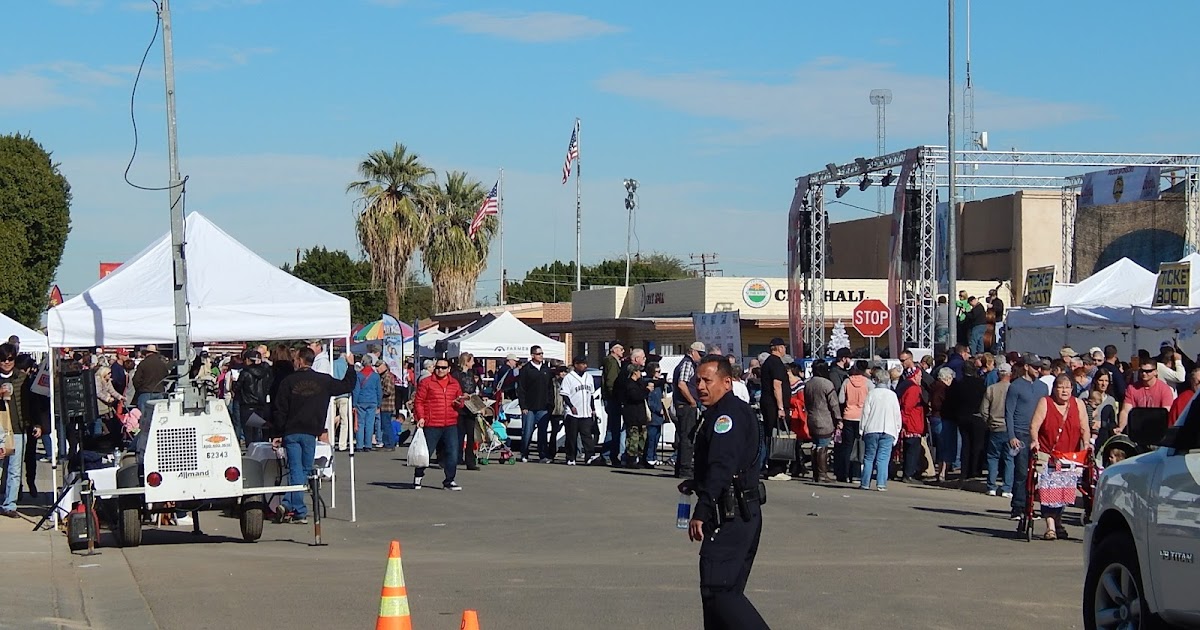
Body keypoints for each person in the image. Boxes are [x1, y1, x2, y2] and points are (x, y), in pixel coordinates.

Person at [680, 356, 769, 629]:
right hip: (738, 510)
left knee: (719, 591)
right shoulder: (720, 412)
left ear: (727, 382)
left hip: (730, 515)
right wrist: (697, 483)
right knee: (718, 596)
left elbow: (723, 464)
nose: (701, 386)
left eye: (708, 380)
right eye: (697, 381)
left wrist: (702, 510)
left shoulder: (728, 415)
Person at [271, 349, 356, 524]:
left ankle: (291, 505)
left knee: (297, 468)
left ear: (300, 361)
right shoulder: (323, 380)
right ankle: (295, 507)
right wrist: (351, 366)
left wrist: (278, 432)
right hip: (311, 430)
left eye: (295, 360)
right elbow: (347, 386)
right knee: (303, 468)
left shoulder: (289, 381)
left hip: (292, 430)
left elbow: (280, 409)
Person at [1028, 374, 1091, 540]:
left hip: (1070, 456)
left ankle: (1058, 520)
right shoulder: (1046, 402)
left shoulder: (1078, 404)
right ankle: (1050, 526)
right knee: (1048, 490)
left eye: (1067, 387)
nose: (1064, 390)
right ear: (1054, 389)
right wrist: (1035, 440)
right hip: (1048, 454)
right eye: (1060, 387)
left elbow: (1084, 427)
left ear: (1072, 389)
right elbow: (1034, 425)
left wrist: (1087, 444)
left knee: (1064, 492)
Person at [1005, 356, 1050, 522]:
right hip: (1020, 434)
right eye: (1035, 367)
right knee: (1022, 472)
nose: (1039, 370)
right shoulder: (1015, 386)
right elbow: (1008, 412)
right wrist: (1011, 436)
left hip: (1037, 434)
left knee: (1037, 474)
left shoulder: (1043, 387)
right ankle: (1017, 507)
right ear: (1026, 367)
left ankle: (1030, 507)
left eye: (1040, 368)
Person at [412, 357, 465, 490]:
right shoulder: (426, 382)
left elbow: (461, 402)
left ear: (449, 369)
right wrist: (421, 418)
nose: (440, 370)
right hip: (432, 423)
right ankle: (418, 475)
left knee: (452, 452)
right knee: (426, 453)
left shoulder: (454, 384)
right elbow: (419, 402)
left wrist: (460, 402)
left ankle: (449, 480)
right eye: (438, 367)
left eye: (443, 368)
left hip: (450, 423)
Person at [858, 368, 901, 491]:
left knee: (869, 457)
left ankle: (865, 483)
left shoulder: (872, 394)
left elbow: (865, 413)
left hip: (871, 428)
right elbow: (897, 415)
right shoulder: (893, 395)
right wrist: (897, 430)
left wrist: (862, 430)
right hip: (888, 430)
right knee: (883, 458)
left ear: (876, 380)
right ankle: (881, 483)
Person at [1116, 355, 1175, 436]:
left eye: (1148, 371)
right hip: (1138, 430)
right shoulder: (1132, 388)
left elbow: (1165, 413)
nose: (1144, 374)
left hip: (1157, 431)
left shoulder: (1165, 389)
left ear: (1155, 372)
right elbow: (1126, 411)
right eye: (1142, 371)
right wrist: (1120, 427)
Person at [760, 338, 791, 480]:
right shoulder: (776, 363)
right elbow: (777, 385)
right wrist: (781, 407)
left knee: (771, 435)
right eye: (784, 347)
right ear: (779, 348)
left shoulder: (767, 362)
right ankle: (776, 469)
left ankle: (772, 467)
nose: (785, 349)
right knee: (777, 435)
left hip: (767, 404)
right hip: (774, 406)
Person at [804, 360, 840, 483]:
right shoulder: (827, 384)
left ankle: (816, 473)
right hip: (824, 418)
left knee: (815, 445)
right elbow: (834, 404)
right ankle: (822, 474)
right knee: (823, 446)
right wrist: (838, 418)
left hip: (812, 417)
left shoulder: (808, 384)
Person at [672, 342, 704, 479]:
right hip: (685, 405)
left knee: (684, 437)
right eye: (699, 354)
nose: (701, 357)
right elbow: (682, 384)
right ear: (692, 351)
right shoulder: (687, 364)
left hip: (683, 405)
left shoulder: (689, 363)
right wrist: (691, 401)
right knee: (687, 438)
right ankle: (685, 469)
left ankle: (680, 467)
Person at [982, 362, 1014, 497]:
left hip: (995, 427)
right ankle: (1007, 488)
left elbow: (984, 410)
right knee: (1009, 459)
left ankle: (991, 486)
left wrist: (989, 422)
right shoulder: (1013, 389)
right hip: (1009, 428)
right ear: (1010, 374)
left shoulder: (991, 389)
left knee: (993, 457)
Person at [834, 361, 869, 483]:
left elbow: (841, 399)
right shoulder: (868, 383)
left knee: (847, 446)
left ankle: (844, 473)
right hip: (862, 417)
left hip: (848, 416)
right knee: (860, 446)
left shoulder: (847, 381)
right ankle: (856, 474)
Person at [518, 345, 553, 463]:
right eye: (539, 354)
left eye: (542, 353)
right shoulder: (526, 369)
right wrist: (523, 406)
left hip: (543, 407)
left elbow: (550, 388)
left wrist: (550, 404)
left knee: (542, 433)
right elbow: (521, 389)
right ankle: (524, 453)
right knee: (527, 431)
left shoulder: (546, 369)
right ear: (532, 355)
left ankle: (542, 455)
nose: (541, 356)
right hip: (529, 407)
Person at [560, 356, 598, 466]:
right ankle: (571, 457)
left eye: (585, 364)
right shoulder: (569, 378)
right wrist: (571, 406)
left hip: (586, 412)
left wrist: (593, 409)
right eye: (582, 364)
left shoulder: (589, 377)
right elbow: (565, 395)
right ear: (576, 365)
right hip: (573, 413)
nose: (584, 366)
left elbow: (591, 395)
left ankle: (589, 456)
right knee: (571, 436)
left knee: (586, 435)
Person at [620, 361, 653, 468]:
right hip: (632, 416)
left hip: (641, 416)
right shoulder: (629, 384)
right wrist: (647, 390)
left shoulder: (640, 383)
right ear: (634, 372)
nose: (640, 374)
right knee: (633, 439)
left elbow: (648, 384)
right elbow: (636, 396)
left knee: (642, 438)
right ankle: (631, 459)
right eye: (639, 371)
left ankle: (641, 458)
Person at [235, 349, 272, 444]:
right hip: (260, 406)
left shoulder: (245, 373)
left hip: (247, 407)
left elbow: (237, 387)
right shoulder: (266, 373)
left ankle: (251, 455)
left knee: (249, 436)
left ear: (247, 360)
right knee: (258, 434)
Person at [897, 367, 927, 482]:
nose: (921, 378)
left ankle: (907, 473)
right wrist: (904, 422)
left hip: (911, 422)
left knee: (909, 449)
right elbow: (907, 407)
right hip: (912, 423)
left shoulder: (907, 387)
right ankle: (909, 474)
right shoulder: (914, 389)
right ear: (915, 376)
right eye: (919, 376)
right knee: (913, 450)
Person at [600, 342, 626, 466]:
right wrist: (615, 396)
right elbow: (611, 381)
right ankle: (608, 455)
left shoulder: (614, 362)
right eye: (621, 349)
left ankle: (610, 454)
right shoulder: (612, 362)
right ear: (614, 350)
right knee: (613, 427)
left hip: (612, 398)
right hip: (613, 399)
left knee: (614, 427)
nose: (623, 351)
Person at [353, 355, 382, 452]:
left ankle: (359, 445)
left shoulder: (359, 375)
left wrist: (354, 403)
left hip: (361, 401)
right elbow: (379, 391)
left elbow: (356, 390)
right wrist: (379, 403)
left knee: (360, 423)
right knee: (370, 423)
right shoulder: (376, 376)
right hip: (373, 401)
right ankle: (368, 445)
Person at [131, 344, 170, 416]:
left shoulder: (143, 363)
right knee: (158, 416)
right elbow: (166, 378)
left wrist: (139, 388)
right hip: (159, 392)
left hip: (145, 392)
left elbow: (136, 379)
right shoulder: (162, 364)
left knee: (144, 417)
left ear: (146, 353)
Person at [645, 362, 667, 467]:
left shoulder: (659, 384)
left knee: (657, 437)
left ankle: (653, 456)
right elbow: (650, 401)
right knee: (651, 437)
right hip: (653, 415)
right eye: (657, 371)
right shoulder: (650, 383)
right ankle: (649, 457)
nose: (659, 373)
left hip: (659, 416)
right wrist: (659, 409)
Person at [377, 361, 399, 452]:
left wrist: (379, 392)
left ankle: (390, 444)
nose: (377, 369)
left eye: (378, 367)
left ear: (383, 367)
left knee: (387, 425)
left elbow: (388, 390)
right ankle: (387, 443)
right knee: (385, 425)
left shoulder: (387, 377)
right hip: (385, 405)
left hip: (387, 405)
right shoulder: (383, 376)